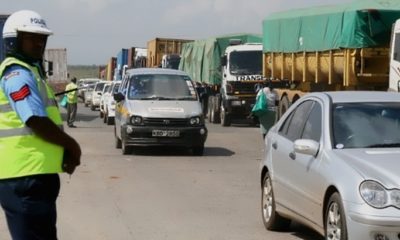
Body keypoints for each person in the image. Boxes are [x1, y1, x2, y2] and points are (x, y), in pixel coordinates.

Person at [0, 10, 81, 240]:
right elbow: (35, 120)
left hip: (35, 177)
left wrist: (62, 150)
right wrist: (71, 145)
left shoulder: (32, 73)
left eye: (42, 39)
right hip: (24, 178)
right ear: (14, 40)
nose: (38, 44)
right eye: (31, 38)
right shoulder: (16, 74)